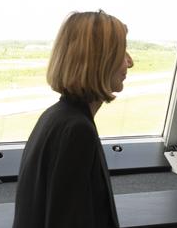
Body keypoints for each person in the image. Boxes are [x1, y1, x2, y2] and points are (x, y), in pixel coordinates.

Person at [13, 11, 134, 228]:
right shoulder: (77, 130)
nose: (130, 62)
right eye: (122, 52)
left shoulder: (55, 118)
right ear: (100, 59)